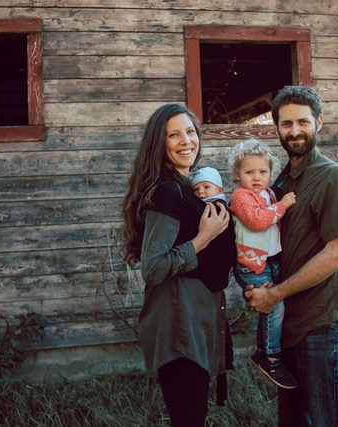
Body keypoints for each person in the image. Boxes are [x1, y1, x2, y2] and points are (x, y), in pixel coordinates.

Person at [244, 86, 338, 426]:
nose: (294, 131)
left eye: (302, 122)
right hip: (286, 324)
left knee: (327, 420)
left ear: (319, 123)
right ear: (276, 127)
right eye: (286, 124)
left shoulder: (332, 177)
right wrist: (257, 286)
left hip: (320, 322)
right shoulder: (278, 181)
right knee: (294, 421)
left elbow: (336, 255)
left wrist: (276, 294)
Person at [121, 103, 236, 426]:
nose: (186, 141)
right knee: (188, 419)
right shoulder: (168, 194)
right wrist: (204, 237)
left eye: (190, 131)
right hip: (178, 325)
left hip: (192, 323)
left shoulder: (186, 189)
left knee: (190, 417)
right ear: (160, 143)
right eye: (174, 134)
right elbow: (153, 268)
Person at [227, 139, 297, 390]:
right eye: (249, 172)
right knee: (273, 304)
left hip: (271, 261)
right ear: (237, 174)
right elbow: (258, 222)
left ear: (270, 172)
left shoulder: (267, 193)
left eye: (263, 172)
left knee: (277, 304)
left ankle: (272, 352)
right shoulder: (241, 196)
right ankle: (268, 355)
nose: (257, 178)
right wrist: (284, 205)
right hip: (252, 264)